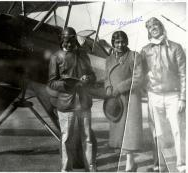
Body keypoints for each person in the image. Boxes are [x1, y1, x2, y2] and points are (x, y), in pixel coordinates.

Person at [47, 27, 97, 172]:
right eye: (66, 41)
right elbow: (51, 82)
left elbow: (93, 76)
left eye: (72, 40)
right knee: (66, 139)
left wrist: (88, 78)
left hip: (84, 104)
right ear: (62, 40)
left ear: (75, 39)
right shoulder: (56, 57)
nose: (69, 44)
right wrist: (65, 84)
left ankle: (91, 168)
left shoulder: (83, 55)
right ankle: (66, 170)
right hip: (66, 104)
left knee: (87, 138)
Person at [140, 17, 186, 172]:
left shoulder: (176, 47)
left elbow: (183, 75)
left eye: (156, 25)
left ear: (162, 27)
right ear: (148, 30)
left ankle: (181, 165)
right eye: (150, 26)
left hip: (174, 96)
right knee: (156, 132)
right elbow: (140, 74)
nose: (154, 28)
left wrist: (183, 98)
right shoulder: (145, 50)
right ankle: (159, 164)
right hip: (154, 96)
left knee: (177, 131)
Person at [103, 31, 143, 172]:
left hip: (130, 98)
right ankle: (129, 162)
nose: (120, 45)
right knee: (120, 132)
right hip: (115, 100)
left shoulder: (134, 56)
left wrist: (119, 88)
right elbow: (107, 77)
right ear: (113, 43)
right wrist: (108, 88)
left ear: (127, 42)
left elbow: (138, 78)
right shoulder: (109, 59)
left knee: (129, 132)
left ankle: (130, 164)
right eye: (117, 42)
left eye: (122, 41)